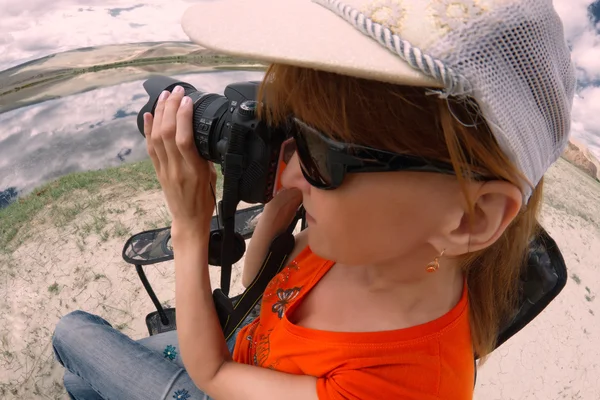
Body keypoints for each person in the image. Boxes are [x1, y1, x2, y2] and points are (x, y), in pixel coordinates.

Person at [51, 0, 576, 398]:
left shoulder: (411, 381)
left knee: (72, 336)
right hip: (233, 353)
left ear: (469, 216)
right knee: (84, 384)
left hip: (219, 376)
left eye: (321, 150)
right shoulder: (372, 248)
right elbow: (264, 291)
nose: (291, 168)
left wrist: (189, 227)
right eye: (291, 131)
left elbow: (212, 375)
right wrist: (281, 206)